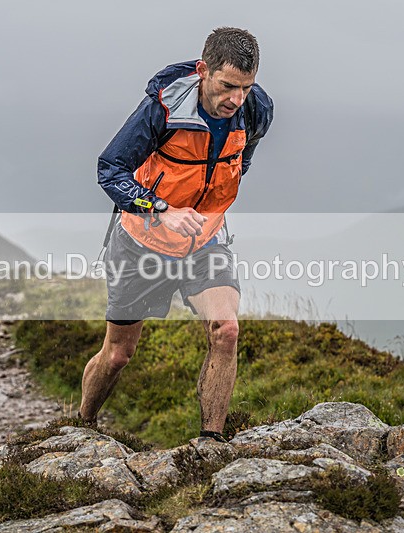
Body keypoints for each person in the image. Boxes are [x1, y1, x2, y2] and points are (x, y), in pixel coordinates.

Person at [78, 27, 274, 442]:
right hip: (141, 242)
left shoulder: (256, 110)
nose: (236, 99)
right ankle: (82, 426)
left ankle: (210, 444)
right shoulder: (163, 109)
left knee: (227, 329)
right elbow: (109, 169)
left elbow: (243, 157)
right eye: (227, 87)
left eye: (245, 87)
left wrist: (213, 204)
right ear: (204, 71)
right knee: (118, 354)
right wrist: (160, 209)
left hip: (205, 242)